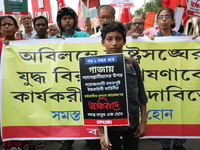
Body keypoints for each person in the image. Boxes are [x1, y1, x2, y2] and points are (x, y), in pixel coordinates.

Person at [53, 6, 100, 150]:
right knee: (67, 108)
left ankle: (89, 136)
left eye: (70, 18)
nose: (67, 21)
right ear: (59, 22)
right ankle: (68, 139)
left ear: (74, 20)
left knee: (85, 107)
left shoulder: (84, 37)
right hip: (63, 82)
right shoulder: (53, 39)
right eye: (64, 19)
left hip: (83, 79)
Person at [99, 20, 148, 150]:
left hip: (132, 122)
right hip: (109, 124)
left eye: (118, 38)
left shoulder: (131, 63)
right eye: (109, 39)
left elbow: (141, 94)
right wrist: (102, 134)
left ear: (124, 41)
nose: (114, 43)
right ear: (103, 42)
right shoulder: (97, 66)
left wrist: (143, 121)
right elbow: (94, 104)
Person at [148, 7, 187, 150]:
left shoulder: (182, 38)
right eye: (161, 17)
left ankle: (179, 143)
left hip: (179, 81)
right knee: (162, 110)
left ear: (172, 21)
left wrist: (195, 41)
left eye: (167, 16)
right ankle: (165, 144)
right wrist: (142, 40)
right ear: (157, 21)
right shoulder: (151, 39)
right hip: (159, 82)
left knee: (180, 110)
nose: (164, 19)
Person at [0, 15, 31, 150]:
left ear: (17, 28)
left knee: (23, 118)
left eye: (10, 24)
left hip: (22, 91)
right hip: (4, 93)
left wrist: (61, 42)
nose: (7, 27)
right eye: (4, 24)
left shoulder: (24, 43)